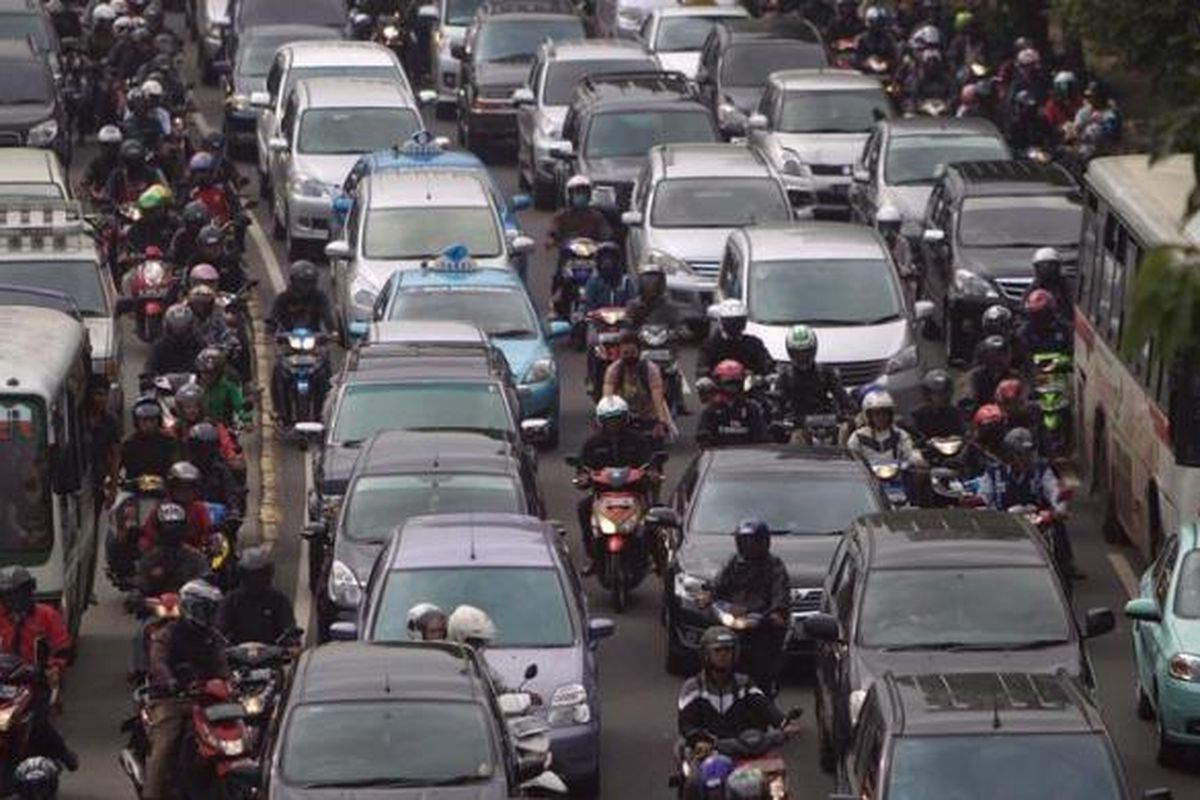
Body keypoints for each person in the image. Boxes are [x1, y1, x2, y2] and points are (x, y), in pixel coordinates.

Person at [143, 580, 229, 800]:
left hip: (208, 702)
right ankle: (151, 794)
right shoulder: (168, 634)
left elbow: (223, 664)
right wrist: (171, 681)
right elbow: (158, 661)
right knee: (165, 744)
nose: (209, 615)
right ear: (191, 608)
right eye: (205, 609)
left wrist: (231, 679)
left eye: (212, 610)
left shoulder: (213, 637)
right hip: (173, 700)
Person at [973, 427, 1082, 578]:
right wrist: (978, 505)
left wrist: (1059, 509)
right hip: (1002, 523)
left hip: (1036, 521)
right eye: (1021, 454)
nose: (1026, 458)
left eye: (1029, 453)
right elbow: (984, 495)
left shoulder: (1042, 470)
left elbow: (1053, 490)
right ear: (1010, 454)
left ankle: (1065, 563)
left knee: (1057, 527)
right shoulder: (994, 473)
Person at [0, 567, 77, 772]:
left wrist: (51, 668)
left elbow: (63, 649)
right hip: (3, 681)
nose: (12, 600)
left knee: (38, 726)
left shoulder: (47, 615)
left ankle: (61, 751)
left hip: (34, 682)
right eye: (7, 595)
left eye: (17, 593)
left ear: (28, 593)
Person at [575, 397, 657, 573]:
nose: (613, 424)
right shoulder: (592, 444)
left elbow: (649, 463)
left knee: (656, 515)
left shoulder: (638, 441)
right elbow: (582, 468)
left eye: (617, 419)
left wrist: (651, 473)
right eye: (609, 420)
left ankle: (652, 556)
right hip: (603, 495)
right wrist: (583, 477)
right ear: (601, 421)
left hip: (634, 493)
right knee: (583, 509)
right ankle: (591, 555)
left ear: (625, 418)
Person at [677, 626, 788, 751]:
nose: (723, 655)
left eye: (728, 650)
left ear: (735, 653)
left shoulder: (744, 683)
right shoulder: (693, 687)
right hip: (705, 750)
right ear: (706, 654)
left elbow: (765, 706)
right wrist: (698, 740)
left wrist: (783, 723)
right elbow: (686, 723)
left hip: (741, 748)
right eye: (717, 650)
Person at [710, 520, 790, 693]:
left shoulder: (774, 565)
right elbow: (718, 585)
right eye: (744, 542)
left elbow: (780, 592)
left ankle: (765, 691)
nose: (749, 546)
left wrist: (777, 612)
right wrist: (709, 596)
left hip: (762, 622)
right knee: (710, 639)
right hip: (734, 618)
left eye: (753, 542)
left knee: (765, 662)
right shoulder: (733, 563)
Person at [267, 260, 336, 425]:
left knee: (325, 370)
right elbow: (272, 320)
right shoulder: (283, 299)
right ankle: (280, 411)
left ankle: (326, 410)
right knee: (278, 371)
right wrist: (272, 332)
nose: (305, 287)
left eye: (309, 283)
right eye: (302, 283)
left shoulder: (319, 298)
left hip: (314, 345)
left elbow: (328, 319)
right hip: (289, 346)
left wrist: (332, 333)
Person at [602, 329, 674, 439]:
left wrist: (662, 422)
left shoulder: (651, 369)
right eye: (625, 353)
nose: (629, 356)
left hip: (648, 416)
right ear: (620, 353)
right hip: (623, 417)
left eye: (632, 353)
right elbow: (607, 398)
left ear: (639, 352)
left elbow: (657, 398)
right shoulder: (614, 370)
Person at [217, 547, 295, 645]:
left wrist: (292, 643)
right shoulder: (231, 600)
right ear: (243, 575)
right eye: (251, 575)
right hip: (237, 656)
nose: (255, 580)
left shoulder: (279, 600)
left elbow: (288, 627)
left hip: (272, 656)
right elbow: (220, 629)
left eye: (259, 575)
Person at [774, 324, 852, 422]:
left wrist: (849, 410)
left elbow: (841, 395)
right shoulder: (785, 377)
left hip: (826, 420)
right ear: (790, 352)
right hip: (798, 423)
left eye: (806, 353)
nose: (802, 358)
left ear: (813, 350)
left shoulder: (825, 372)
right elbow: (777, 404)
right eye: (798, 354)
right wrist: (778, 414)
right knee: (795, 437)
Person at [135, 502, 209, 597]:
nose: (172, 531)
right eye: (167, 527)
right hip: (157, 605)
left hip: (187, 605)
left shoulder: (195, 558)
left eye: (176, 526)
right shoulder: (151, 558)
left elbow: (206, 584)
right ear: (159, 529)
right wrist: (137, 598)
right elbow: (141, 585)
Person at [140, 462, 213, 553]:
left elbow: (207, 535)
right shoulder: (162, 508)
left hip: (193, 560)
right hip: (164, 558)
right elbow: (148, 535)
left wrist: (203, 549)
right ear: (171, 487)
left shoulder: (200, 509)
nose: (185, 492)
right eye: (180, 487)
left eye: (189, 488)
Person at [696, 360, 769, 448]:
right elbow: (703, 437)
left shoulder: (751, 409)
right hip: (720, 458)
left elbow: (762, 438)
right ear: (719, 383)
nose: (732, 387)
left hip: (747, 457)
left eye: (736, 383)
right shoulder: (711, 410)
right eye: (728, 383)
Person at [174, 383, 243, 473]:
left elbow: (226, 445)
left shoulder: (214, 425)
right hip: (185, 471)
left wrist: (232, 457)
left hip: (212, 468)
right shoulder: (176, 428)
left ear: (201, 406)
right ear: (181, 409)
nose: (192, 410)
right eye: (187, 407)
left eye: (195, 406)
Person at [696, 299, 772, 379]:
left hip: (750, 388)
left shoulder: (754, 343)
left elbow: (767, 364)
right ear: (721, 320)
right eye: (730, 321)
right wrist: (705, 377)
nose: (735, 324)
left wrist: (768, 376)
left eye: (739, 320)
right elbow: (702, 366)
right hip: (718, 388)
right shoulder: (711, 344)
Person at [116, 397, 179, 488]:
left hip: (164, 492)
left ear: (159, 420)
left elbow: (177, 467)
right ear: (137, 421)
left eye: (152, 420)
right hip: (134, 492)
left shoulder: (169, 441)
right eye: (144, 420)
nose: (148, 424)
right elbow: (115, 470)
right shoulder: (128, 443)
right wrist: (120, 481)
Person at [847, 390, 919, 465]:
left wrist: (915, 459)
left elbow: (909, 455)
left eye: (885, 413)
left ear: (890, 414)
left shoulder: (900, 435)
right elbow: (853, 458)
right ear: (869, 415)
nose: (881, 417)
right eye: (877, 413)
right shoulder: (857, 437)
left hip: (897, 474)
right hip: (866, 475)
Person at [186, 423, 243, 514]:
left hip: (217, 519)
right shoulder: (185, 470)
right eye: (199, 449)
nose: (203, 454)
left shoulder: (221, 471)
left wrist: (234, 509)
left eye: (206, 449)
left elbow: (232, 492)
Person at [86, 375, 122, 517]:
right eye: (97, 394)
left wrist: (113, 489)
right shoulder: (77, 420)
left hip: (98, 479)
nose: (102, 399)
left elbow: (115, 456)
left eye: (104, 394)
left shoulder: (110, 421)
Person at [548, 175, 613, 248]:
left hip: (591, 251)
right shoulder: (562, 215)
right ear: (570, 196)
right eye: (577, 193)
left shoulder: (596, 216)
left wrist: (606, 240)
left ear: (589, 195)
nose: (581, 196)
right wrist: (552, 239)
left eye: (584, 193)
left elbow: (605, 232)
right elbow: (554, 229)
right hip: (568, 252)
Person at [195, 347, 251, 429]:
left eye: (211, 373)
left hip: (223, 429)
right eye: (204, 372)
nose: (206, 377)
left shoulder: (229, 388)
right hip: (198, 428)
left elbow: (240, 407)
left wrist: (247, 420)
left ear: (219, 372)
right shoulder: (195, 386)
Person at [145, 304, 205, 377]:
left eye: (183, 330)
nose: (180, 335)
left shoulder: (199, 345)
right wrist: (148, 378)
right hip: (165, 387)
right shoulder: (159, 347)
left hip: (194, 386)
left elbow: (208, 367)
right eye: (176, 330)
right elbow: (150, 368)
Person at [963, 334, 1019, 411]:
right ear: (985, 356)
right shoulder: (974, 376)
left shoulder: (1015, 377)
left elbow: (1023, 400)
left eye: (1002, 355)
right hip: (982, 418)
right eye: (993, 355)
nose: (998, 359)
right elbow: (967, 400)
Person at [1016, 289, 1071, 362]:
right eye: (1035, 314)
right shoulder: (1024, 332)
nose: (1039, 319)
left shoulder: (1064, 328)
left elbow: (1071, 353)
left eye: (1043, 313)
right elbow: (1022, 358)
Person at [911, 368, 966, 439]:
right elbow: (915, 436)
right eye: (936, 393)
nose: (940, 396)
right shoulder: (918, 415)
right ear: (928, 394)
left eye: (943, 392)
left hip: (953, 447)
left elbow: (962, 432)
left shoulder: (955, 413)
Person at [875, 204, 916, 300]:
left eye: (892, 227)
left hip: (898, 286)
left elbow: (907, 265)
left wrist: (902, 268)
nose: (888, 231)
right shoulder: (876, 243)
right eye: (884, 227)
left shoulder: (903, 243)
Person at [624, 262, 680, 330]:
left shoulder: (669, 307)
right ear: (640, 282)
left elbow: (677, 325)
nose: (650, 282)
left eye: (654, 278)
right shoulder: (633, 305)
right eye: (647, 278)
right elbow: (627, 324)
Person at [581, 244, 636, 311]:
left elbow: (633, 302)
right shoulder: (593, 282)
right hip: (597, 318)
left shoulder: (626, 281)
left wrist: (631, 307)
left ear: (616, 261)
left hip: (622, 318)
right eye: (603, 258)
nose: (606, 262)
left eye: (610, 258)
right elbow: (587, 303)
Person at [1025, 247, 1072, 319]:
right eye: (1043, 266)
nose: (1046, 270)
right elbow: (1024, 306)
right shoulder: (1034, 286)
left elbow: (1069, 307)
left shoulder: (1064, 286)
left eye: (1051, 266)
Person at [83, 124, 123, 198]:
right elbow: (85, 183)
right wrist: (94, 194)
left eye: (114, 145)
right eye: (106, 145)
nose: (110, 149)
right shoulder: (96, 164)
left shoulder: (124, 162)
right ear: (101, 146)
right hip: (102, 201)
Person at [168, 200, 211, 268]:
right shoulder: (181, 236)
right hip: (185, 270)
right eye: (193, 223)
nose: (196, 227)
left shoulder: (210, 234)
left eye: (199, 224)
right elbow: (172, 255)